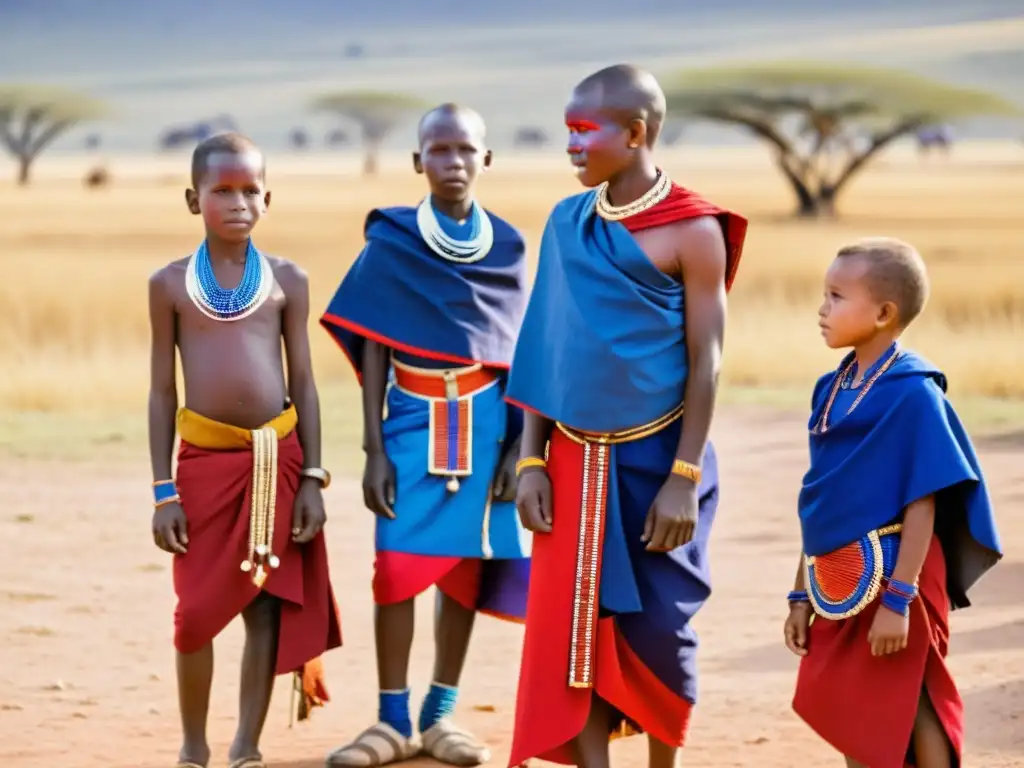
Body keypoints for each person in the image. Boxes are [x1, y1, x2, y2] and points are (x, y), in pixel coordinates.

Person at [505, 65, 748, 768]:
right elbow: (547, 349)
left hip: (662, 457)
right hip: (573, 461)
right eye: (567, 134)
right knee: (573, 631)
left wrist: (683, 475)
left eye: (584, 131)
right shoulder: (566, 222)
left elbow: (707, 363)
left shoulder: (694, 230)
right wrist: (530, 460)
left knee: (661, 633)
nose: (572, 147)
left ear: (636, 133)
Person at [320, 103, 531, 767]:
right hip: (410, 423)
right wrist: (373, 449)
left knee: (464, 573)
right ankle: (390, 721)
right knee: (397, 571)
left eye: (466, 150)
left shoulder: (508, 246)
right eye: (439, 150)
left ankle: (440, 717)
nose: (454, 163)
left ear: (486, 159)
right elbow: (376, 342)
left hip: (487, 423)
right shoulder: (393, 241)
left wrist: (517, 451)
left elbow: (518, 351)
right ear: (418, 162)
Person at [148, 132, 342, 768]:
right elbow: (160, 391)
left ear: (267, 197)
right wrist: (162, 491)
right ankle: (193, 744)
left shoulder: (288, 280)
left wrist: (312, 476)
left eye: (249, 190)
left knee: (266, 605)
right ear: (192, 199)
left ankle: (246, 746)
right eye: (221, 191)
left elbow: (304, 382)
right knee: (195, 614)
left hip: (276, 463)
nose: (237, 203)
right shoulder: (170, 285)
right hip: (203, 468)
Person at [783, 237, 1002, 768]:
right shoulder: (829, 391)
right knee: (856, 703)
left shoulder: (913, 393)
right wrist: (799, 594)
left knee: (916, 694)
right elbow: (823, 502)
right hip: (839, 573)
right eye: (824, 294)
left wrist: (897, 602)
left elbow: (922, 502)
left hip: (903, 570)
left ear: (884, 313)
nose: (822, 309)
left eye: (836, 296)